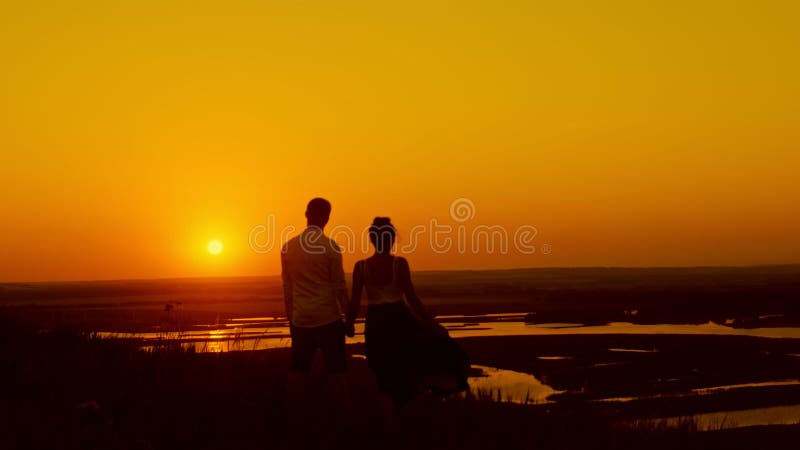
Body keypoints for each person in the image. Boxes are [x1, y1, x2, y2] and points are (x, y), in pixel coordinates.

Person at [346, 217, 469, 420]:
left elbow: (355, 303)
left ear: (372, 240)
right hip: (400, 321)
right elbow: (412, 299)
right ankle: (407, 419)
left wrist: (349, 324)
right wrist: (433, 325)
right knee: (407, 371)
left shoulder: (361, 267)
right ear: (392, 239)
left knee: (384, 375)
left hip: (377, 325)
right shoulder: (399, 263)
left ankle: (391, 424)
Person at [281, 198, 350, 440]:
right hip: (328, 318)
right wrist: (348, 318)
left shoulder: (288, 247)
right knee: (337, 371)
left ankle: (292, 423)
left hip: (301, 319)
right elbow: (339, 286)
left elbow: (287, 287)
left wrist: (292, 318)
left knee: (297, 369)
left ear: (306, 214)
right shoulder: (331, 247)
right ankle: (340, 423)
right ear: (327, 218)